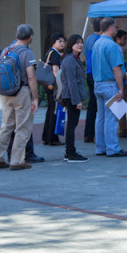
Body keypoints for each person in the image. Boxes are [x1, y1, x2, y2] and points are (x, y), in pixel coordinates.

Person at [0, 24, 39, 171]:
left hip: (7, 93)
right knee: (23, 127)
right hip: (22, 92)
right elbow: (31, 77)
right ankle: (17, 160)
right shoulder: (26, 52)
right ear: (30, 37)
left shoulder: (6, 50)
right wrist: (35, 97)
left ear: (16, 35)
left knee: (6, 125)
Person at [91, 18, 127, 157]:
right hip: (110, 84)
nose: (116, 29)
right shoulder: (112, 46)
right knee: (111, 118)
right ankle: (112, 148)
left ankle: (100, 147)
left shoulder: (96, 43)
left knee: (100, 117)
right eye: (115, 26)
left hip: (98, 84)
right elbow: (116, 69)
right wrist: (121, 88)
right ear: (110, 28)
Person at [57, 34, 88, 163]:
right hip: (71, 96)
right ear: (71, 45)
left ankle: (68, 151)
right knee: (71, 125)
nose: (80, 45)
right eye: (77, 43)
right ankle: (71, 153)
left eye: (81, 42)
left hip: (72, 96)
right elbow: (71, 82)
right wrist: (77, 101)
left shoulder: (74, 58)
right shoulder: (70, 60)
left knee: (72, 124)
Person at [41, 32, 65, 146]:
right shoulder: (54, 54)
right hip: (54, 86)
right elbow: (56, 71)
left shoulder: (50, 52)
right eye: (59, 41)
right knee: (54, 111)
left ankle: (46, 137)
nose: (62, 43)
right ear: (53, 42)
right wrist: (60, 86)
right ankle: (52, 138)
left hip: (48, 85)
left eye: (63, 41)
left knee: (50, 110)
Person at [83, 17, 102, 143]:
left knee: (92, 105)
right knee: (99, 107)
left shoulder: (89, 38)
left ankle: (88, 133)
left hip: (89, 73)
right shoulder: (100, 40)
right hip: (97, 75)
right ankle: (96, 134)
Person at [115, 29, 127, 138]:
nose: (125, 41)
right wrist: (124, 76)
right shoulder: (117, 49)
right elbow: (119, 65)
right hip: (120, 80)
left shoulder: (117, 48)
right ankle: (122, 129)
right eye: (124, 39)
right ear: (118, 39)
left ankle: (122, 129)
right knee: (121, 104)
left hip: (118, 78)